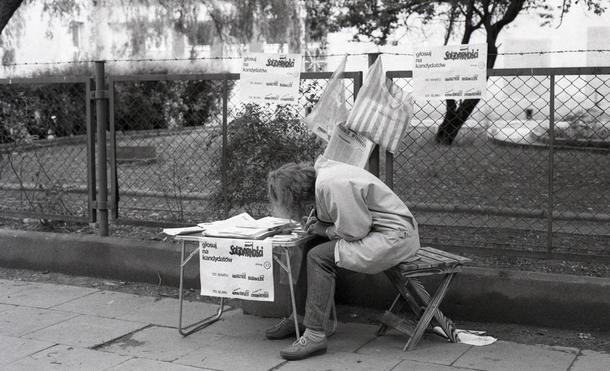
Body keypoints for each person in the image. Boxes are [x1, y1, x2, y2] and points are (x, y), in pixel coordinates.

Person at [265, 155, 421, 360]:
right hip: (383, 232)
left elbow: (356, 231)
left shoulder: (331, 185)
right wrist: (319, 225)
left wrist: (325, 229)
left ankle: (315, 334)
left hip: (394, 238)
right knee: (311, 244)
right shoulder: (324, 178)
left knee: (319, 257)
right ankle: (301, 318)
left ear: (294, 195)